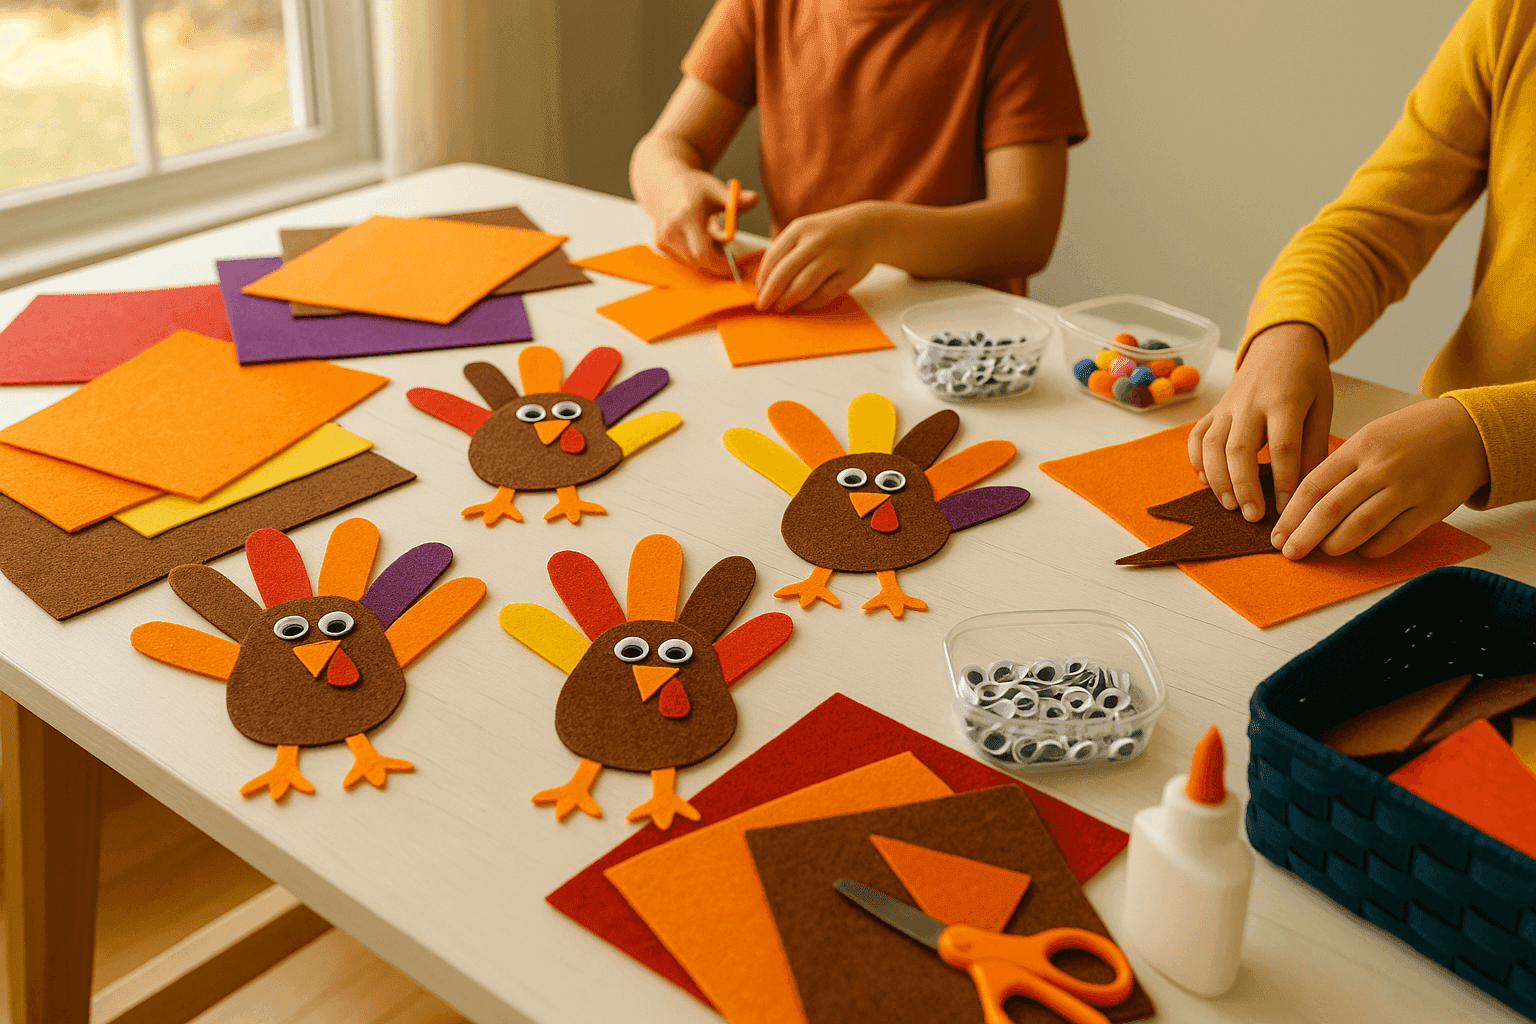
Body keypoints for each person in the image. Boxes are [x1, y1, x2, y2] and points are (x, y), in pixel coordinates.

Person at [1190, 0, 1536, 560]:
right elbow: (1372, 228)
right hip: (1464, 495)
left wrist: (1486, 439)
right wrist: (1289, 331)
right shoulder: (1515, 16)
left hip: (1470, 465)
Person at [629, 0, 1088, 313]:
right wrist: (673, 186)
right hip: (807, 315)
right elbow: (663, 146)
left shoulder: (1018, 11)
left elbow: (1029, 230)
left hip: (957, 337)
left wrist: (876, 235)